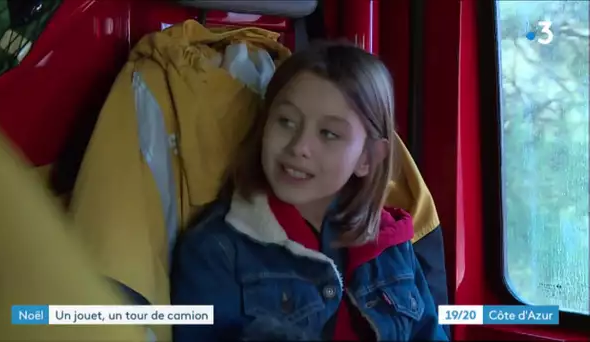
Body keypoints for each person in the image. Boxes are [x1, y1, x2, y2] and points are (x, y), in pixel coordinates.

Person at [171, 41, 449, 341]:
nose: (299, 147)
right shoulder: (217, 251)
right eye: (286, 122)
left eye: (328, 134)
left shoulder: (392, 245)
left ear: (367, 158)